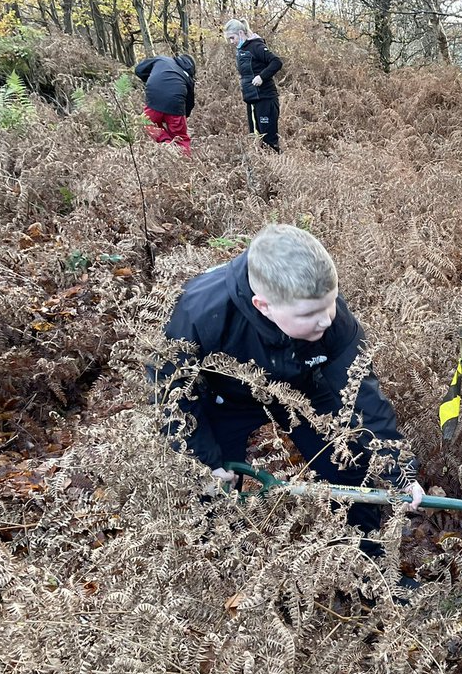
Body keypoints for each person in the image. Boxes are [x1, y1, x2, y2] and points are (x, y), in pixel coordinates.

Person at [155, 223, 425, 553]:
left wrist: (398, 468)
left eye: (330, 303)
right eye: (310, 313)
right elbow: (173, 395)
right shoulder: (197, 314)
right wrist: (205, 459)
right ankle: (224, 563)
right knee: (213, 486)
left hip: (303, 388)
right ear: (263, 305)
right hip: (225, 398)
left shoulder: (332, 318)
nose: (326, 319)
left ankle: (363, 563)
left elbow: (361, 391)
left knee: (349, 464)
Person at [223, 19, 284, 152]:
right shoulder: (241, 49)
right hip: (252, 100)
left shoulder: (256, 46)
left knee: (268, 140)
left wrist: (262, 76)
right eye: (229, 39)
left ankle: (275, 167)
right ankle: (261, 168)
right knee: (255, 138)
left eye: (232, 38)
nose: (231, 42)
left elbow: (276, 62)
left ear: (240, 33)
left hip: (265, 98)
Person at [133, 53, 196, 154]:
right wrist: (184, 117)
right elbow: (190, 103)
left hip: (154, 101)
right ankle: (185, 162)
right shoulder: (188, 78)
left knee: (145, 124)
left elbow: (139, 70)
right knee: (181, 138)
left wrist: (151, 78)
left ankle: (165, 141)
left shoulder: (162, 60)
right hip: (176, 108)